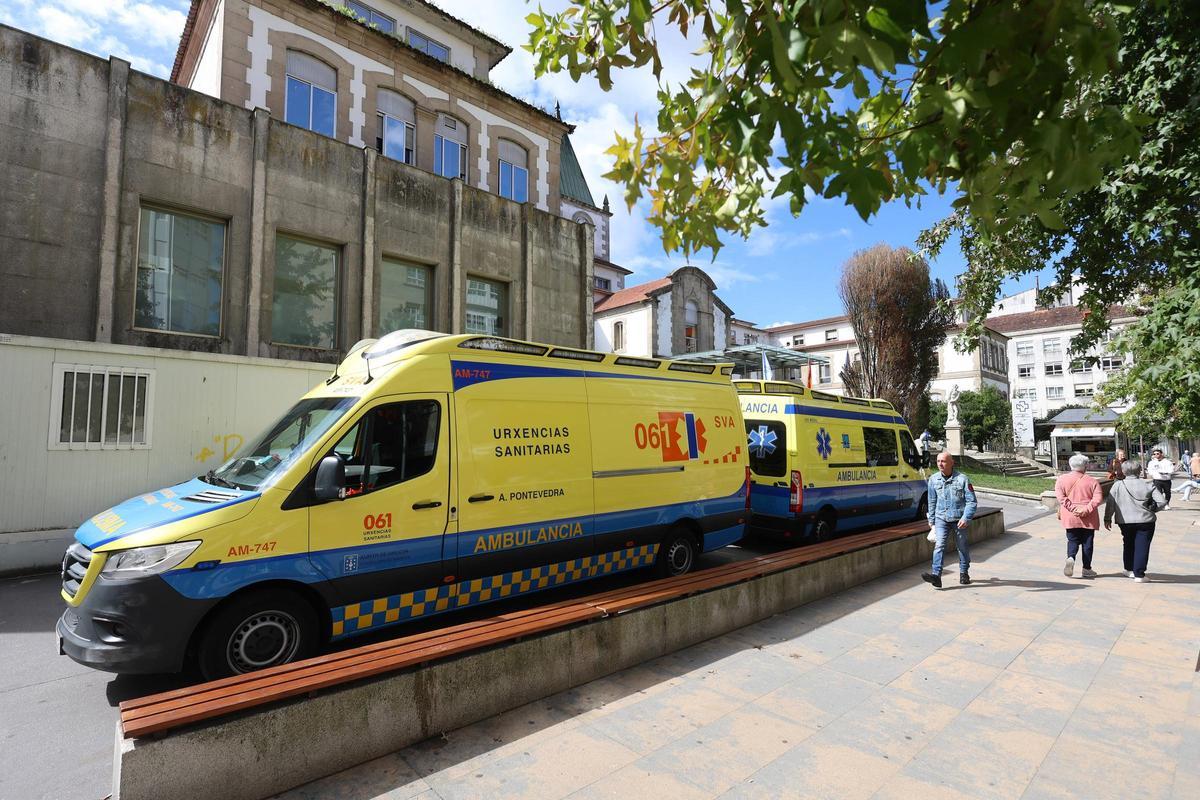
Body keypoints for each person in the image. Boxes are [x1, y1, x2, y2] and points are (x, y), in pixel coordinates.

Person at [921, 451, 978, 588]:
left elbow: (972, 501)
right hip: (941, 519)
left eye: (943, 461)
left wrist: (966, 518)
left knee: (962, 547)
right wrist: (931, 520)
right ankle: (936, 576)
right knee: (939, 546)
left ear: (952, 463)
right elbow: (931, 501)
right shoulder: (933, 480)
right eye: (938, 461)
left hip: (959, 519)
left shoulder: (962, 479)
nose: (940, 464)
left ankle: (964, 572)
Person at [1104, 460, 1166, 582]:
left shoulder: (1118, 485)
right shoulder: (1148, 484)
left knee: (1128, 543)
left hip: (1124, 520)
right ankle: (1139, 574)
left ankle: (1129, 569)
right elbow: (1162, 502)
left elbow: (1110, 503)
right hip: (1146, 520)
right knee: (1142, 546)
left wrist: (1107, 518)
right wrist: (1153, 509)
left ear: (1124, 471)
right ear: (1139, 471)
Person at [1056, 454, 1104, 578]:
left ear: (1070, 465)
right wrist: (1086, 510)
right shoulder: (1092, 481)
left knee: (1072, 540)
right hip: (1089, 517)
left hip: (1070, 516)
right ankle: (1087, 569)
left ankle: (1071, 557)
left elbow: (1061, 498)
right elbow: (1098, 498)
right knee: (1088, 543)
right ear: (1085, 466)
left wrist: (1073, 508)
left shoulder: (1061, 479)